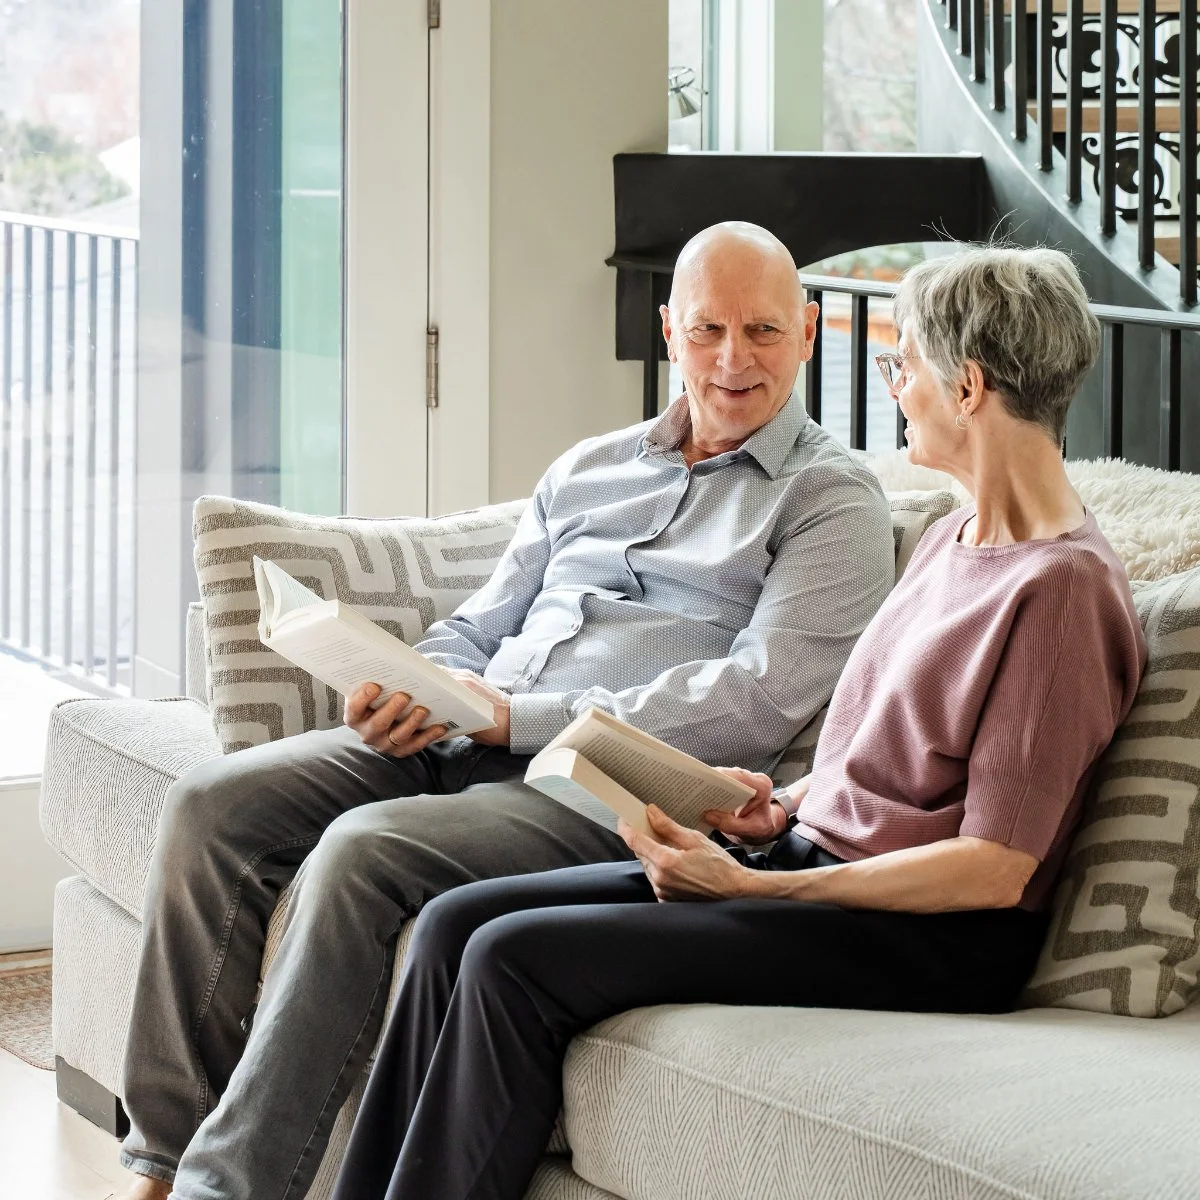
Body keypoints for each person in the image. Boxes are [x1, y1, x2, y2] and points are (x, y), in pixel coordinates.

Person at [328, 244, 1150, 1200]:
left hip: (928, 939)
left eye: (906, 366)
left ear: (966, 386)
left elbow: (995, 868)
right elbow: (879, 761)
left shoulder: (1061, 591)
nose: (898, 389)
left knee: (513, 959)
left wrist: (761, 893)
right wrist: (778, 806)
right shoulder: (950, 538)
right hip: (812, 863)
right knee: (450, 923)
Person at [118, 221, 896, 1200]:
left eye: (765, 332)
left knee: (362, 852)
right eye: (708, 330)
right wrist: (415, 686)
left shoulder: (830, 501)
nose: (734, 360)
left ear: (811, 331)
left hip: (601, 788)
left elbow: (753, 699)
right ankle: (154, 1166)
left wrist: (512, 719)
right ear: (669, 331)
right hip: (460, 736)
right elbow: (481, 623)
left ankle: (227, 1191)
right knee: (209, 807)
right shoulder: (590, 469)